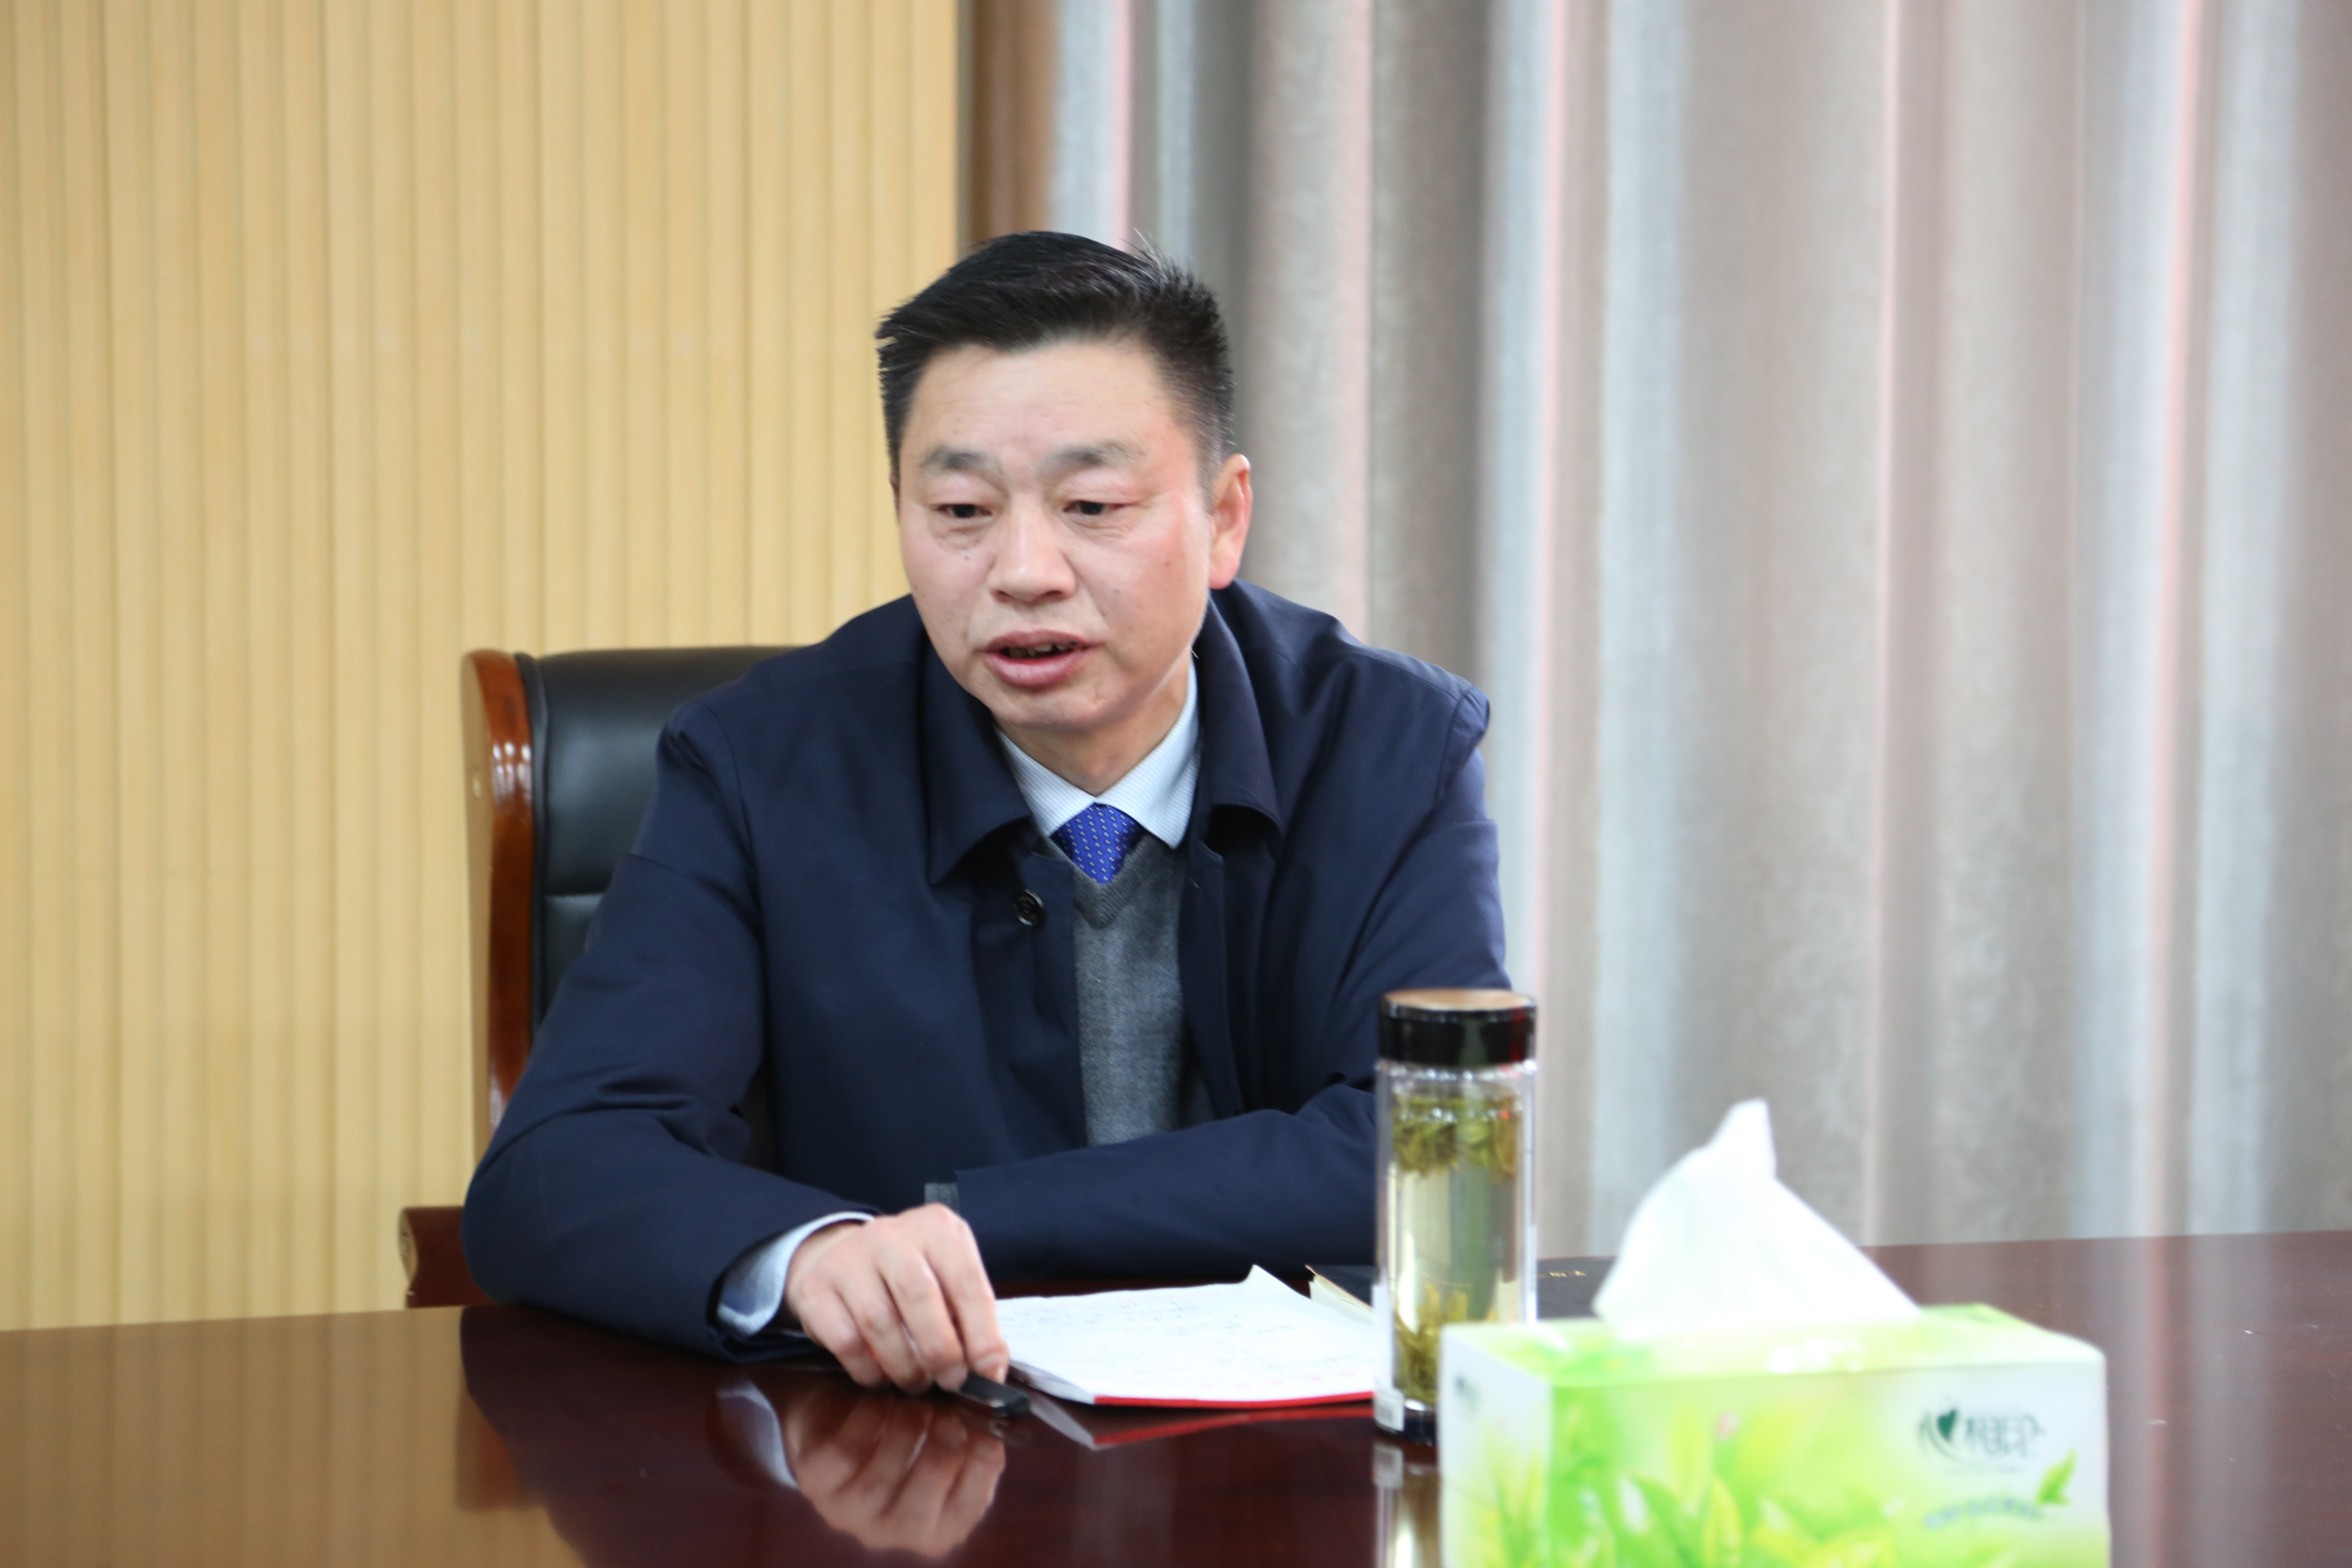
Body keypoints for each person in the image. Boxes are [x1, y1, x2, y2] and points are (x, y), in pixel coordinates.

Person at [462, 231, 1509, 1392]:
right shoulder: (761, 765)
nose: (1024, 571)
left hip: (1289, 1446)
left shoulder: (1389, 747)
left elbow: (1436, 1154)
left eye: (1092, 504)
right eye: (962, 510)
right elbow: (556, 1166)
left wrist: (967, 1220)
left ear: (1224, 518)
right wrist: (812, 1255)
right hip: (906, 1441)